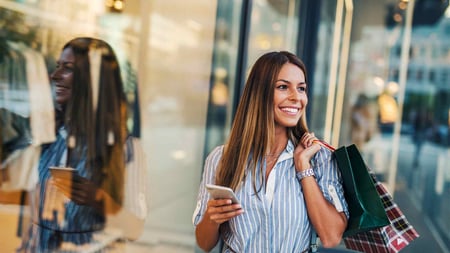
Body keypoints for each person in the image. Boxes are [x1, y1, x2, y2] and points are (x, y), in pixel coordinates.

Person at [192, 51, 348, 252]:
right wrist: (211, 219)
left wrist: (303, 167)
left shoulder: (319, 158)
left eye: (301, 89)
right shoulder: (222, 158)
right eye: (283, 87)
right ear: (259, 93)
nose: (296, 97)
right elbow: (204, 243)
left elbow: (331, 237)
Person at [18, 37, 148, 252]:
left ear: (91, 82)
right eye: (57, 67)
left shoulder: (125, 148)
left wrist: (99, 200)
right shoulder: (51, 137)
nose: (54, 76)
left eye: (67, 69)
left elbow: (135, 229)